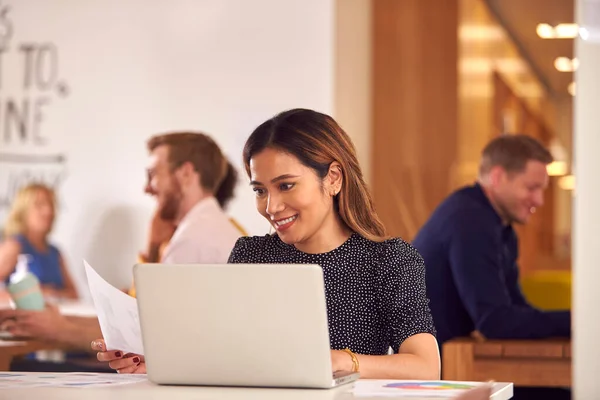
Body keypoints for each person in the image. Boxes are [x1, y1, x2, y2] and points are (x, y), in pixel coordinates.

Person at [93, 109, 440, 380]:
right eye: (260, 190)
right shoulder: (251, 254)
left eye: (286, 186)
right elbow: (225, 355)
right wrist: (153, 363)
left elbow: (425, 366)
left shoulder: (389, 260)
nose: (270, 207)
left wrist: (341, 361)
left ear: (332, 178)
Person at [412, 135, 571, 399]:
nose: (540, 200)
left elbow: (514, 309)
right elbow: (495, 321)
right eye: (531, 188)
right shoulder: (470, 220)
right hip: (437, 372)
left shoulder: (499, 226)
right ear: (498, 177)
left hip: (455, 362)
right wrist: (577, 322)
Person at [0, 183, 78, 300]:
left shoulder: (55, 252)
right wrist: (31, 295)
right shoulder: (14, 246)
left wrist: (51, 294)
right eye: (39, 205)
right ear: (23, 211)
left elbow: (74, 294)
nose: (48, 211)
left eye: (50, 204)